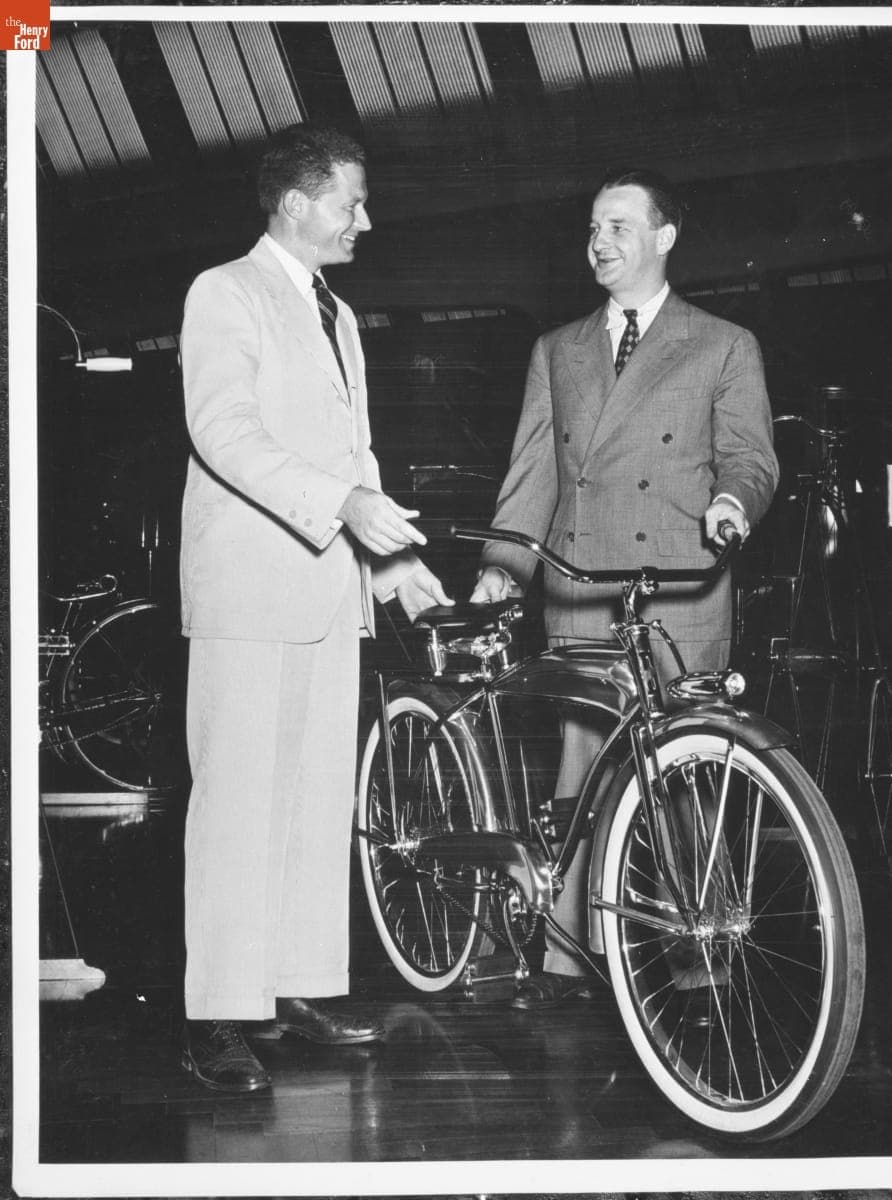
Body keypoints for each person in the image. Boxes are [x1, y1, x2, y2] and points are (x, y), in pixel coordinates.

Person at [178, 123, 452, 1092]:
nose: (364, 221)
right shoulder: (224, 294)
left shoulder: (338, 318)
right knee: (238, 808)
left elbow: (356, 459)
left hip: (331, 594)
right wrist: (342, 508)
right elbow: (222, 432)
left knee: (307, 803)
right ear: (296, 205)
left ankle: (293, 988)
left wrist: (390, 568)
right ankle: (215, 1014)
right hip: (248, 594)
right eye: (351, 203)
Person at [471, 167, 779, 1008]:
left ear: (664, 236)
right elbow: (533, 474)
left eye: (618, 227)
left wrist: (731, 502)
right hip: (580, 585)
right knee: (583, 768)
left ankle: (697, 951)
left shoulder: (723, 343)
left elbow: (751, 456)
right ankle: (572, 955)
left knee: (679, 772)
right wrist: (505, 565)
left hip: (678, 586)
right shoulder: (557, 349)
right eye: (594, 230)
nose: (598, 243)